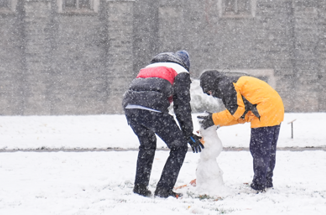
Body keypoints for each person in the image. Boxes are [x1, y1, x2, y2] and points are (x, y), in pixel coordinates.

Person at [122, 50, 204, 198]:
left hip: (130, 107)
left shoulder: (149, 67)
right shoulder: (181, 71)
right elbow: (182, 106)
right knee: (178, 147)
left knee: (147, 145)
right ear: (186, 63)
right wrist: (187, 134)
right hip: (153, 108)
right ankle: (164, 190)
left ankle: (140, 188)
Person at [197, 71, 284, 192]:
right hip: (274, 107)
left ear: (210, 84)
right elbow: (241, 116)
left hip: (264, 109)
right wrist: (217, 122)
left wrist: (213, 118)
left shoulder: (225, 85)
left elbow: (236, 111)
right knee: (267, 150)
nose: (211, 95)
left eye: (209, 91)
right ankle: (266, 182)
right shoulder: (232, 83)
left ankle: (258, 186)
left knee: (259, 149)